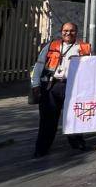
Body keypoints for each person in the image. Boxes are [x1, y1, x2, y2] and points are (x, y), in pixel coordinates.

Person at [31, 22, 92, 157]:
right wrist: (35, 85)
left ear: (77, 32)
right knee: (48, 119)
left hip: (74, 86)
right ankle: (41, 148)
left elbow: (92, 68)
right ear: (61, 32)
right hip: (51, 86)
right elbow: (39, 65)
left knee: (74, 116)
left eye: (72, 31)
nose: (68, 33)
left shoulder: (83, 48)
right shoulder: (51, 46)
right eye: (65, 30)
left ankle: (77, 142)